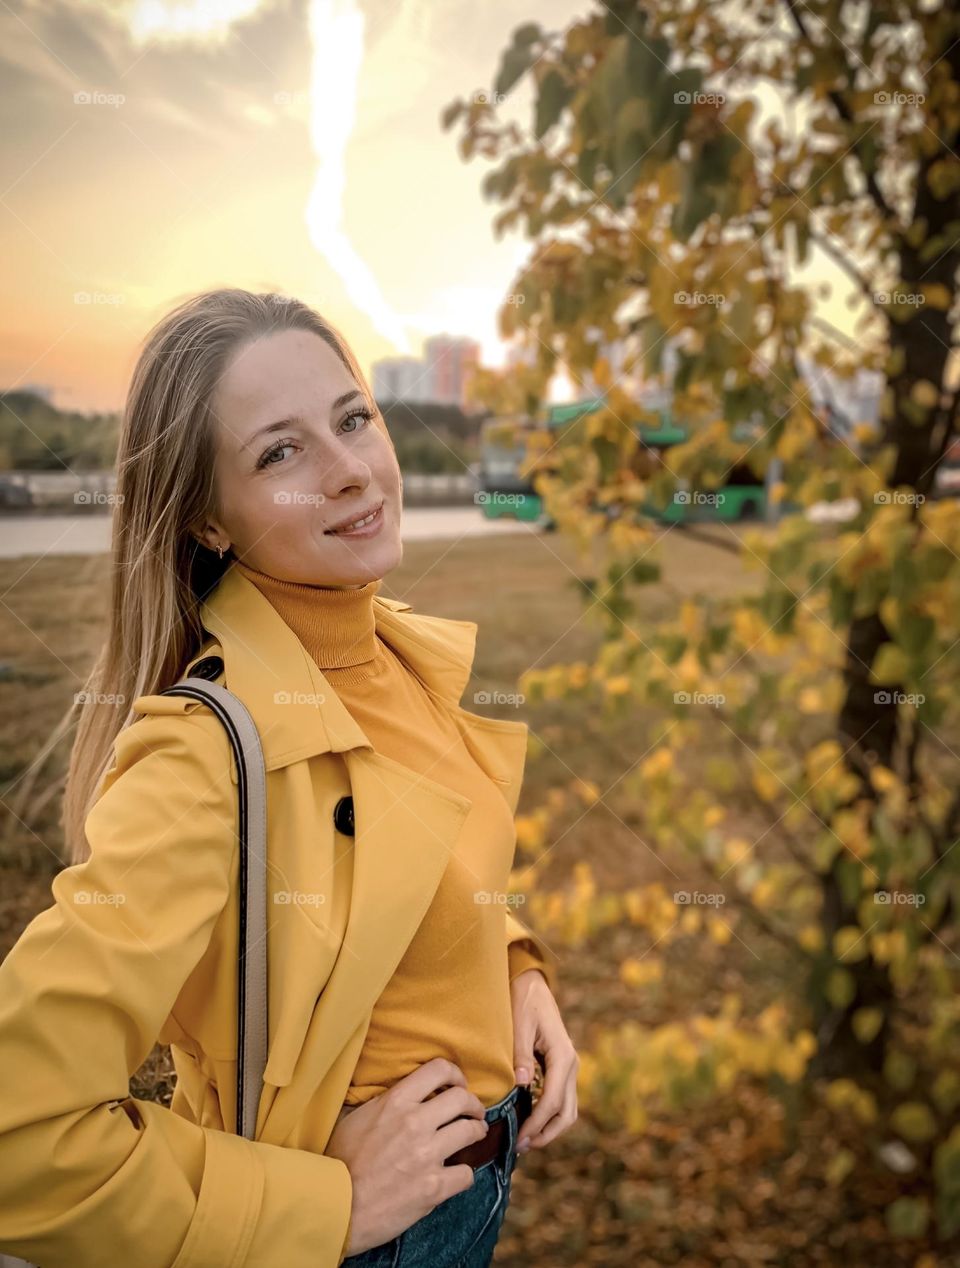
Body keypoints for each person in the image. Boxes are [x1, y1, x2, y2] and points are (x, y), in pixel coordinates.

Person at [0, 289, 579, 1268]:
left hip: (469, 1203)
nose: (352, 470)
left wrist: (513, 965)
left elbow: (412, 865)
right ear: (208, 519)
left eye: (353, 418)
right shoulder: (203, 754)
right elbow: (21, 1132)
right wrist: (318, 1205)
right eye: (280, 451)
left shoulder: (391, 651)